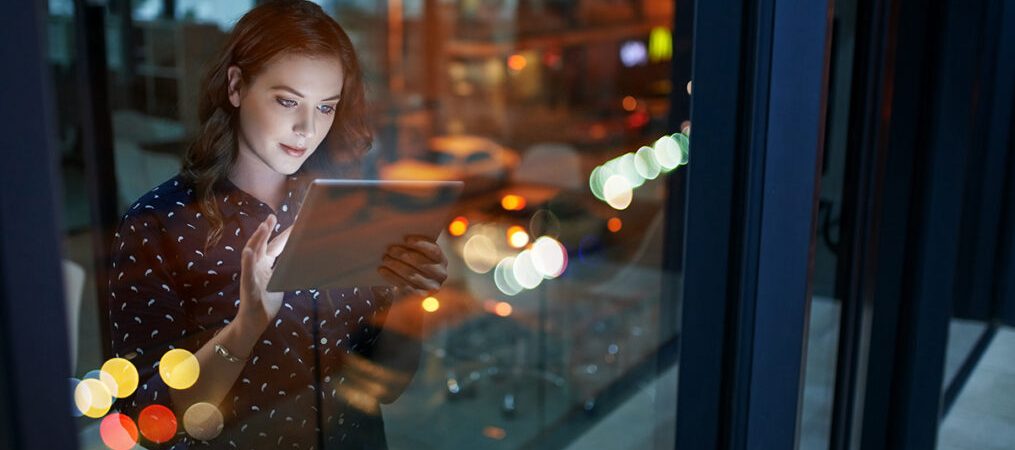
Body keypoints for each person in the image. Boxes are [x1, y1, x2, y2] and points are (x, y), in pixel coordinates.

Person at [108, 2, 446, 448]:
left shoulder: (341, 209)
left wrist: (409, 296)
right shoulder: (157, 226)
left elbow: (385, 385)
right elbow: (146, 425)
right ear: (236, 86)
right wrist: (247, 326)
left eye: (325, 108)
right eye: (287, 101)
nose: (306, 128)